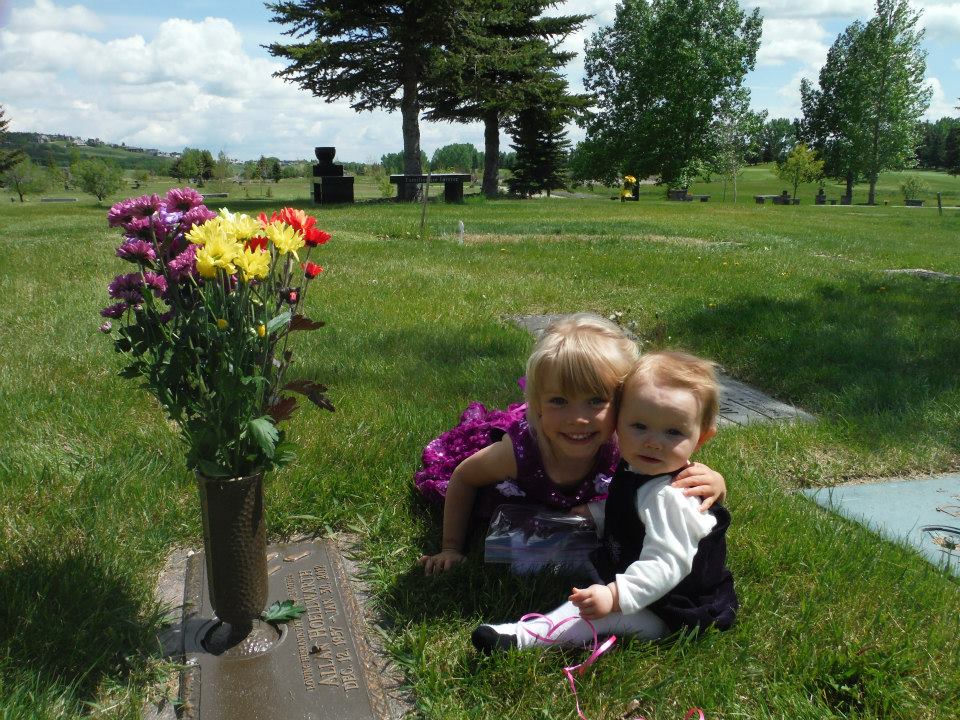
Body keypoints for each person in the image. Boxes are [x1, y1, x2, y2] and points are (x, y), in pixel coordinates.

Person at [416, 314, 727, 576]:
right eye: (559, 401)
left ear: (625, 405)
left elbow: (674, 473)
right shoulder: (520, 451)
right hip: (521, 487)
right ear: (537, 404)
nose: (578, 419)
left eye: (596, 401)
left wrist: (715, 483)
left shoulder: (631, 441)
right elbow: (463, 477)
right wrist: (451, 548)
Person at [471, 351, 737, 652]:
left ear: (701, 438)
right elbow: (632, 506)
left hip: (670, 608)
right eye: (639, 426)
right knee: (570, 550)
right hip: (625, 564)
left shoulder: (672, 497)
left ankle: (521, 638)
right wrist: (596, 513)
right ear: (618, 421)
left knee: (596, 615)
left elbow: (666, 564)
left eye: (673, 432)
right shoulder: (641, 466)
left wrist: (614, 596)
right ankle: (526, 561)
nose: (652, 441)